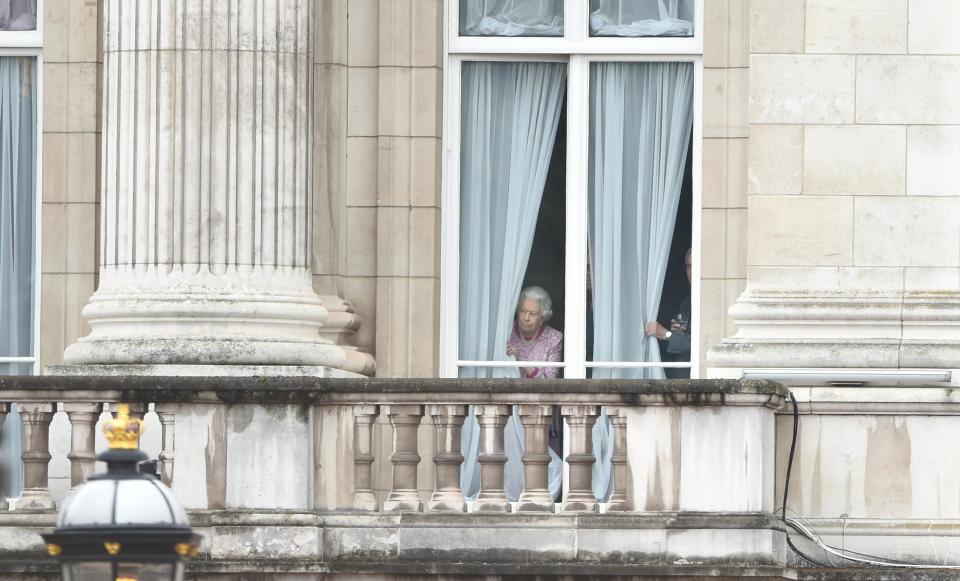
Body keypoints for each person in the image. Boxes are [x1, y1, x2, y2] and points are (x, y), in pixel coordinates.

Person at [644, 248, 692, 379]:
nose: (691, 272)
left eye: (695, 266)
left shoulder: (709, 302)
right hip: (679, 377)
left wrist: (666, 334)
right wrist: (676, 332)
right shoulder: (686, 302)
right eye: (688, 266)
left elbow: (700, 344)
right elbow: (682, 336)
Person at [506, 286, 563, 378]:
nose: (526, 318)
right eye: (523, 311)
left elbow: (549, 381)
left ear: (543, 317)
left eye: (532, 314)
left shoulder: (554, 338)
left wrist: (520, 358)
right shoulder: (506, 331)